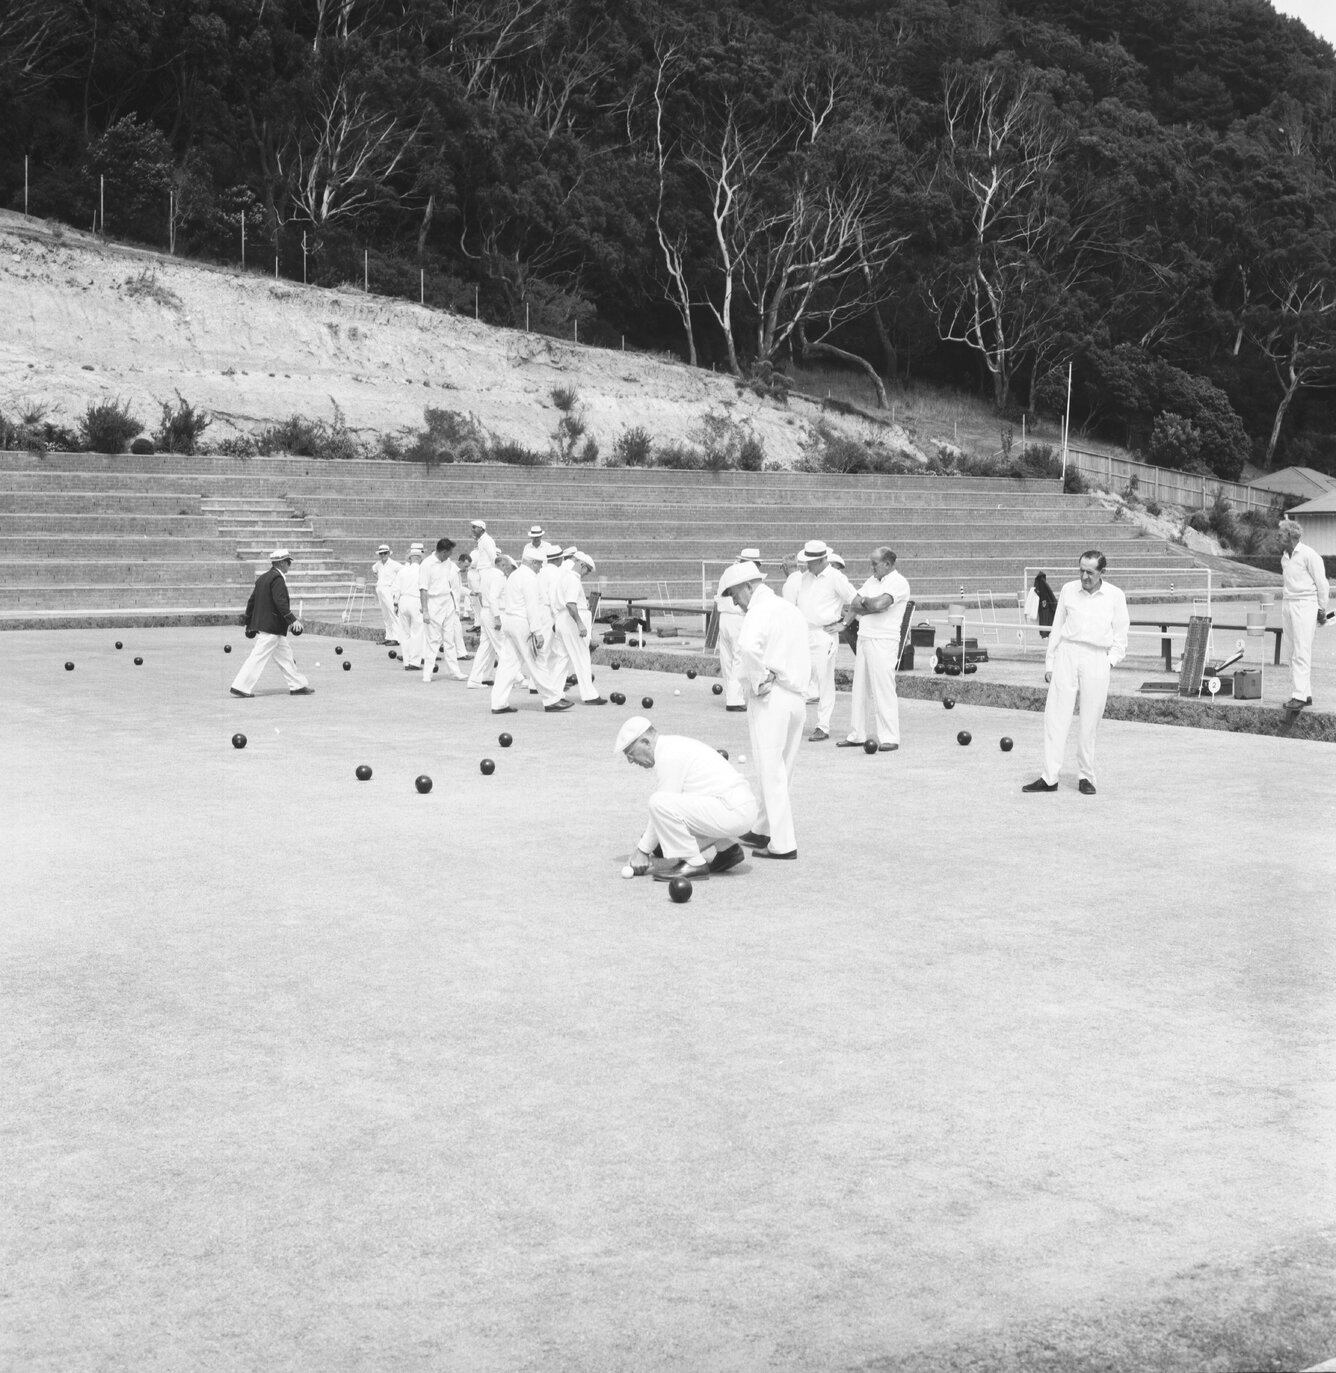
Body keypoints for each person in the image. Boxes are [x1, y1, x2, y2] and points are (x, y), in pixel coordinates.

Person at [718, 561, 811, 860]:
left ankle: (783, 844)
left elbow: (746, 649)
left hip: (773, 698)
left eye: (734, 594)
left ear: (748, 586)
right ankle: (763, 828)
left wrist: (758, 681)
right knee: (783, 770)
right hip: (797, 698)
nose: (734, 602)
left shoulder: (759, 610)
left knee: (771, 773)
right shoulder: (789, 609)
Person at [1022, 550, 1129, 796]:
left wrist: (1109, 661)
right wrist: (1050, 664)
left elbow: (1121, 633)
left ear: (1102, 572)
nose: (1084, 576)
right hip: (1067, 655)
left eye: (1090, 572)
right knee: (1055, 718)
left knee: (1090, 721)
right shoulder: (1069, 590)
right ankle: (1049, 777)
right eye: (1081, 570)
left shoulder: (1115, 596)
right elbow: (1057, 628)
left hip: (1096, 658)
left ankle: (1086, 776)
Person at [615, 716, 758, 880]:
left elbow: (663, 806)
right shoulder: (672, 746)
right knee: (671, 820)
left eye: (631, 753)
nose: (630, 761)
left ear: (646, 742)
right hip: (738, 808)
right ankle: (727, 849)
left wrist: (642, 850)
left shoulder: (669, 755)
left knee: (658, 802)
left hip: (733, 810)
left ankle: (694, 863)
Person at [837, 547, 911, 752]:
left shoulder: (899, 582)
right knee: (859, 689)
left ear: (887, 564)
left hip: (884, 640)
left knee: (883, 689)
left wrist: (866, 604)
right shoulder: (872, 581)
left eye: (875, 564)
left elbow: (879, 604)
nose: (871, 567)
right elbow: (853, 603)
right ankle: (857, 734)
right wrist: (856, 612)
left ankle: (890, 736)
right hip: (864, 638)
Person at [491, 545, 571, 713]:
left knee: (508, 663)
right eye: (539, 564)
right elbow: (532, 607)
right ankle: (552, 699)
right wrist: (537, 632)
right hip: (523, 623)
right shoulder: (529, 578)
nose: (540, 567)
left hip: (510, 621)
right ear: (533, 563)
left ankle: (498, 703)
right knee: (537, 661)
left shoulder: (514, 575)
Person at [795, 539, 856, 742]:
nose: (807, 565)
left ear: (822, 559)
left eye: (810, 562)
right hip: (804, 632)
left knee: (824, 681)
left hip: (824, 634)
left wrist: (844, 624)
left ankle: (823, 726)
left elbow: (855, 600)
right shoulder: (805, 578)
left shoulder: (836, 577)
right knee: (801, 678)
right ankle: (796, 722)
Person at [229, 549, 313, 697]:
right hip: (272, 627)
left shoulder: (263, 578)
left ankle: (297, 685)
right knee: (258, 657)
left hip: (273, 628)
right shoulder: (277, 579)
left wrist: (248, 623)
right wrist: (292, 620)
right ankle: (240, 686)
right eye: (288, 562)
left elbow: (252, 602)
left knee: (286, 657)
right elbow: (280, 603)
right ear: (280, 562)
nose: (289, 565)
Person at [1279, 517, 1330, 708]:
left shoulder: (1309, 555)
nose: (1277, 538)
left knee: (1301, 650)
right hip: (1288, 603)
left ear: (1291, 536)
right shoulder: (1285, 557)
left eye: (1280, 535)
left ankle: (1298, 696)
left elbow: (1322, 583)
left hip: (1305, 605)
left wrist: (1321, 608)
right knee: (1291, 650)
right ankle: (1305, 693)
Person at [553, 547, 606, 704]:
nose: (586, 574)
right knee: (582, 657)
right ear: (582, 565)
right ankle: (589, 695)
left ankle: (554, 694)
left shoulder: (564, 577)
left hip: (563, 621)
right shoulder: (573, 579)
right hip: (571, 622)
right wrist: (580, 624)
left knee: (562, 659)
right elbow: (571, 604)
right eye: (587, 570)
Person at [715, 546, 760, 713]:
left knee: (727, 660)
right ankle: (735, 699)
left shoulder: (728, 571)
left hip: (724, 617)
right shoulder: (744, 575)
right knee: (739, 659)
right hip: (738, 618)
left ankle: (731, 696)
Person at [419, 537, 465, 683]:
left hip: (447, 602)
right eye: (449, 553)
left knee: (449, 640)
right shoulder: (427, 564)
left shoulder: (448, 563)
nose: (450, 556)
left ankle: (455, 671)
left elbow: (454, 580)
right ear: (443, 551)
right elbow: (423, 589)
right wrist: (425, 610)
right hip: (433, 603)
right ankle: (427, 673)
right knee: (433, 640)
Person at [468, 553, 510, 689]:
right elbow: (493, 597)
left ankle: (477, 678)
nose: (507, 570)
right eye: (506, 567)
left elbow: (481, 595)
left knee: (485, 647)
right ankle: (516, 678)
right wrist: (497, 617)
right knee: (503, 646)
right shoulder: (499, 576)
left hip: (486, 611)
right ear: (502, 565)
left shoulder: (487, 574)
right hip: (494, 612)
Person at [393, 545, 425, 668]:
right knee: (416, 632)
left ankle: (406, 661)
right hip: (416, 600)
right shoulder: (422, 570)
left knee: (404, 633)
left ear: (410, 559)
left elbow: (396, 589)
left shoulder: (402, 570)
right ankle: (414, 661)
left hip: (403, 600)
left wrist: (396, 604)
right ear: (420, 559)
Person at [371, 544, 401, 645]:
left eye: (385, 553)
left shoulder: (394, 564)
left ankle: (396, 638)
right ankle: (389, 636)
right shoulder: (378, 564)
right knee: (385, 615)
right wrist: (380, 579)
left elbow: (402, 573)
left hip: (389, 589)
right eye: (381, 553)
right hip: (380, 589)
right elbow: (374, 570)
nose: (383, 555)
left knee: (393, 613)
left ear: (388, 553)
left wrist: (395, 584)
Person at [1033, 572, 1058, 640]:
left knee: (1045, 621)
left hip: (1044, 607)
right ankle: (1045, 633)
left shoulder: (1040, 586)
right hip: (1044, 607)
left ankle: (1044, 634)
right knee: (1045, 621)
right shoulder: (1043, 585)